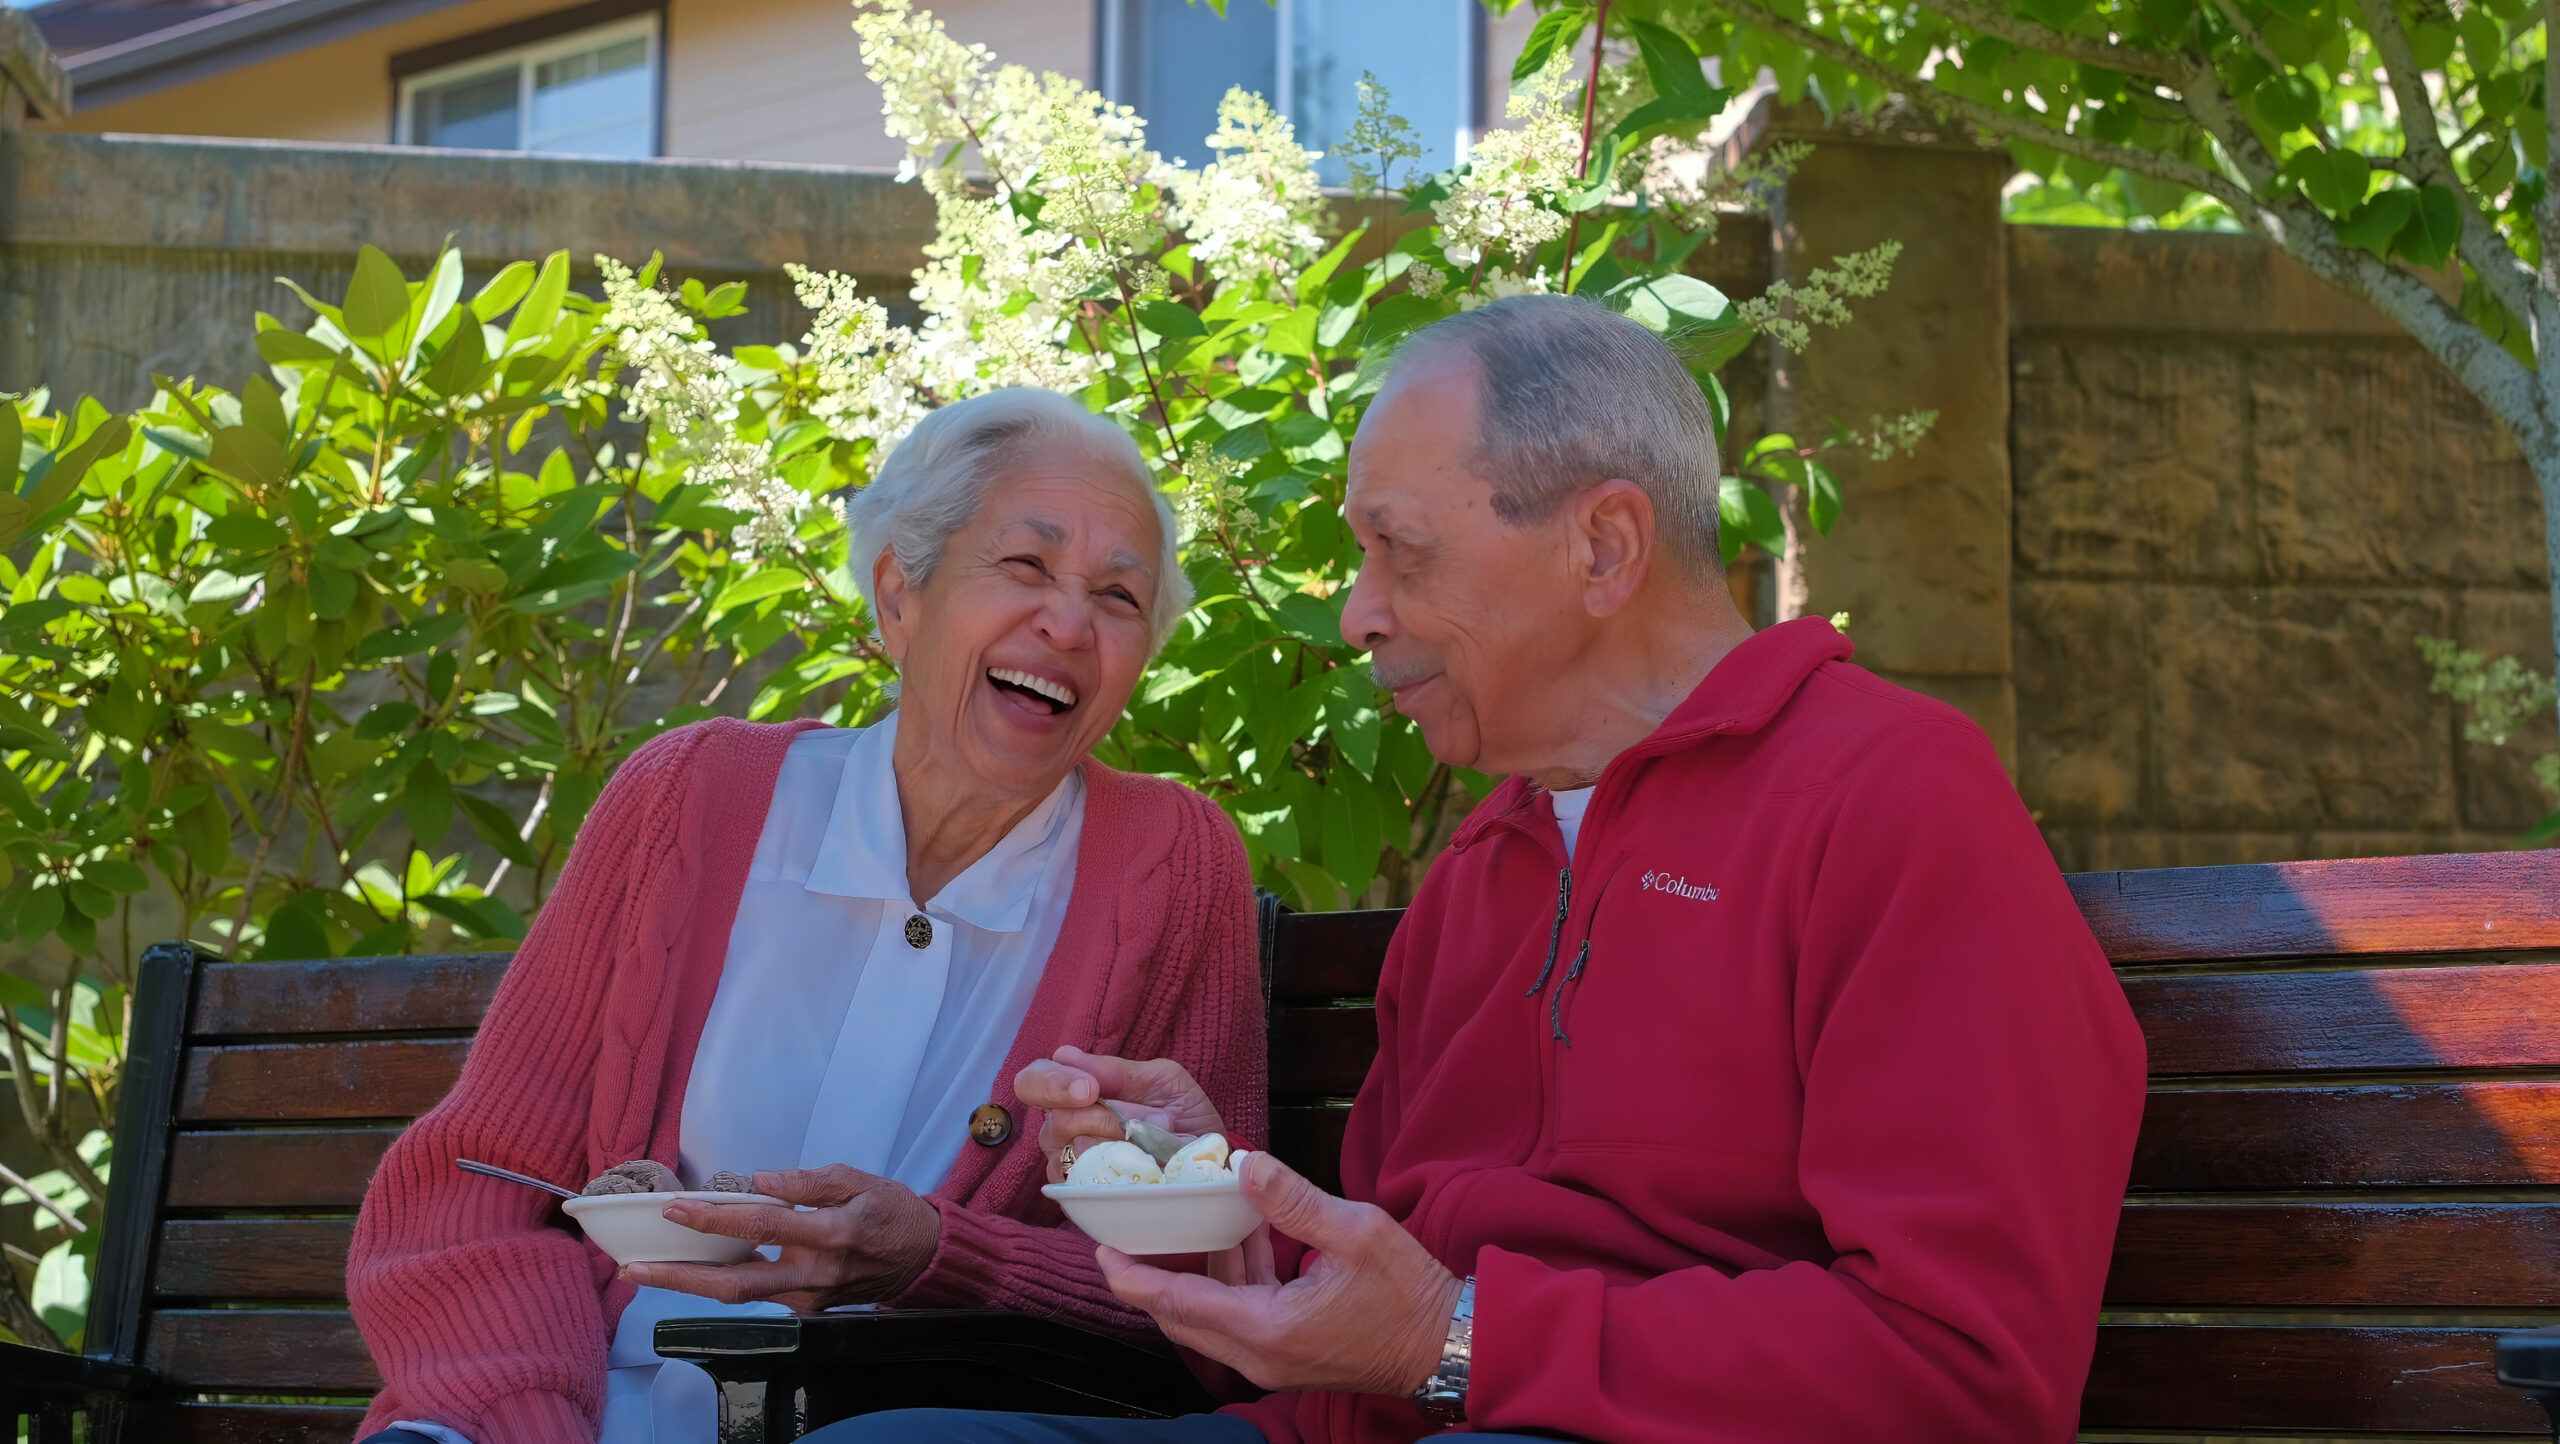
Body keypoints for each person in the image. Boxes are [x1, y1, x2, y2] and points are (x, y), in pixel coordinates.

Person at [814, 295, 2149, 1443]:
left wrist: (1463, 1338)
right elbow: (1355, 1338)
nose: (1358, 611)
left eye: (1403, 551)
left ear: (1605, 547)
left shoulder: (1893, 800)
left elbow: (1973, 1372)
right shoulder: (1482, 869)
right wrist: (1197, 1200)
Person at [346, 388, 1267, 1444]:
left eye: (1119, 597)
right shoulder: (688, 798)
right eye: (1025, 566)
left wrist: (937, 1253)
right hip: (560, 1411)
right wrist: (519, 1425)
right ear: (898, 596)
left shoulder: (1169, 868)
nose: (1067, 623)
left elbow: (1214, 1297)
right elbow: (474, 1189)